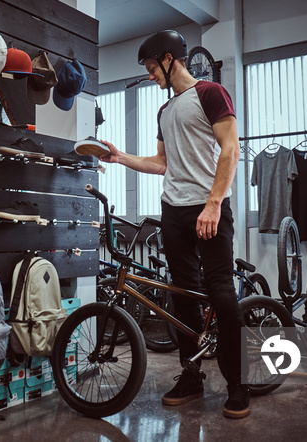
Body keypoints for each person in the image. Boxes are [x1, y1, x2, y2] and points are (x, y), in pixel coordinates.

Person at [98, 30, 249, 419]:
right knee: (182, 296)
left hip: (209, 207)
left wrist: (214, 203)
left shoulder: (211, 93)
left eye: (152, 68)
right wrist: (122, 158)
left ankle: (238, 384)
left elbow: (230, 149)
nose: (150, 76)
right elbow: (162, 163)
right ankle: (191, 375)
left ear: (170, 59)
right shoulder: (165, 111)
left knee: (221, 293)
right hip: (174, 211)